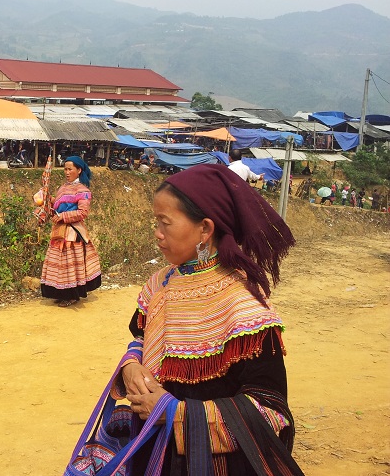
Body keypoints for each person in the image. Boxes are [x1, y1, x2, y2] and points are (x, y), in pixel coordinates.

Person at [110, 164, 300, 474]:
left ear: (205, 230)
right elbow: (140, 338)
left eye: (165, 223)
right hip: (153, 452)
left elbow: (270, 412)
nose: (157, 234)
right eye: (155, 222)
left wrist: (176, 414)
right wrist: (130, 366)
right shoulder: (161, 284)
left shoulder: (244, 310)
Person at [40, 156, 102, 307]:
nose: (67, 172)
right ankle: (61, 293)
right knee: (59, 264)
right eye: (65, 169)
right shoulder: (63, 187)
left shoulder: (83, 190)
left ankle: (72, 295)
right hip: (59, 231)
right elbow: (59, 204)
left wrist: (63, 216)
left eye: (70, 169)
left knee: (69, 265)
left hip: (72, 233)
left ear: (79, 170)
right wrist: (47, 198)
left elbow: (82, 213)